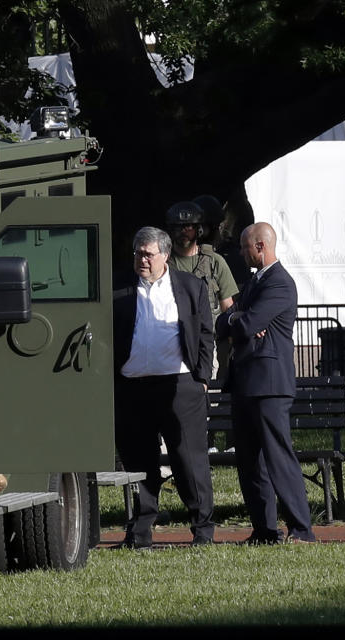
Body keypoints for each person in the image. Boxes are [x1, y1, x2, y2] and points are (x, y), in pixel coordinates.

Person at [112, 226, 216, 549]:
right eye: (137, 253)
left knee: (188, 459)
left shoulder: (188, 286)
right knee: (138, 462)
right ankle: (140, 532)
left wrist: (201, 378)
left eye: (148, 254)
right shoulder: (119, 288)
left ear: (165, 255)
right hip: (132, 388)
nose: (142, 259)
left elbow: (206, 333)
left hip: (180, 386)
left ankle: (202, 530)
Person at [215, 222, 315, 544]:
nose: (241, 253)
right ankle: (264, 530)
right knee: (249, 461)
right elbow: (227, 321)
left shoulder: (280, 283)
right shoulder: (255, 282)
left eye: (245, 248)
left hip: (270, 384)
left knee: (277, 457)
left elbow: (248, 324)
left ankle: (301, 529)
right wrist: (237, 319)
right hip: (245, 381)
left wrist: (241, 320)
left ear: (260, 246)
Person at [165, 200, 238, 383]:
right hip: (171, 341)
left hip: (207, 343)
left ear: (198, 229)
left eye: (188, 226)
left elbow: (227, 306)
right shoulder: (163, 264)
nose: (183, 231)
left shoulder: (215, 262)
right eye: (178, 227)